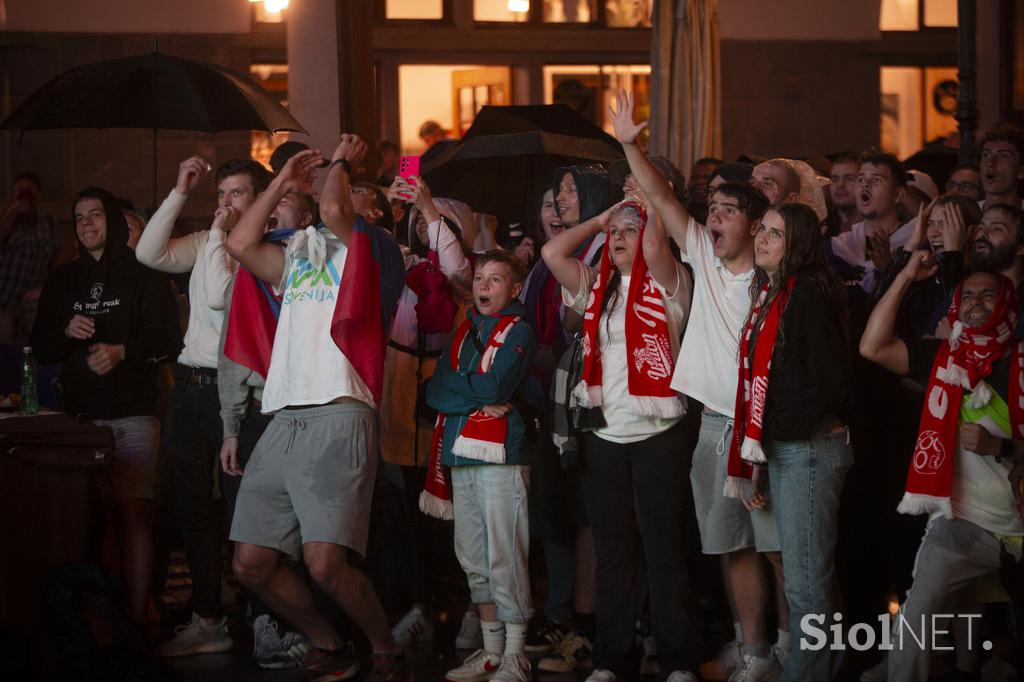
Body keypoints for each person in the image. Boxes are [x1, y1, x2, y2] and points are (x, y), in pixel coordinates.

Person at [608, 89, 786, 682]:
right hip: (713, 425)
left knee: (780, 548)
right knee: (731, 544)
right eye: (710, 209)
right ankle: (754, 650)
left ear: (757, 224)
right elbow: (658, 195)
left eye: (727, 211)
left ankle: (795, 648)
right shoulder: (703, 261)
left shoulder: (776, 280)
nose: (713, 219)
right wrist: (630, 146)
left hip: (768, 428)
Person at [225, 137, 408, 682]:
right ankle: (329, 643)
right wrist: (281, 180)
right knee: (250, 563)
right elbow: (239, 242)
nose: (342, 201)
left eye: (356, 197)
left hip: (340, 409)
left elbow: (331, 208)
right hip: (285, 415)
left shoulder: (369, 249)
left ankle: (385, 647)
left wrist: (339, 162)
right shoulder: (298, 257)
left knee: (325, 564)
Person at [542, 190, 698, 682]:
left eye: (629, 231)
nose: (619, 239)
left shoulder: (671, 281)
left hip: (661, 434)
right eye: (615, 234)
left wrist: (646, 206)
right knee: (612, 556)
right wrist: (601, 218)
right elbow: (552, 253)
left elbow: (656, 247)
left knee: (664, 551)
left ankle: (678, 661)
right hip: (603, 434)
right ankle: (612, 659)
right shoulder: (596, 285)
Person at [860, 262, 1024, 682]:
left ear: (1008, 304)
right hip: (964, 523)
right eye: (967, 295)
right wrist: (904, 278)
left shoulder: (1019, 366)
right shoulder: (943, 358)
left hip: (1019, 526)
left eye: (988, 295)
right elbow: (873, 347)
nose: (975, 303)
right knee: (916, 619)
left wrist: (999, 446)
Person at [136, 156, 270, 656]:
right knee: (191, 505)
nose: (226, 204)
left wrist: (217, 234)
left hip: (235, 394)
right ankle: (208, 615)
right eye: (221, 195)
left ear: (257, 199)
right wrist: (179, 191)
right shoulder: (202, 241)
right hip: (189, 387)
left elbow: (216, 297)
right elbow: (148, 254)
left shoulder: (256, 247)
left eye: (237, 194)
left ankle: (262, 618)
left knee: (243, 509)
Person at [30, 187, 182, 630]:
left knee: (133, 510)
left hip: (133, 410)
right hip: (79, 419)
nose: (87, 224)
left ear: (112, 220)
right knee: (83, 518)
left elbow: (168, 342)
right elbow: (41, 350)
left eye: (96, 215)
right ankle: (91, 618)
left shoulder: (145, 274)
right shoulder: (63, 280)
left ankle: (138, 616)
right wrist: (65, 330)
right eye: (79, 218)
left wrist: (123, 352)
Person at [724, 202, 851, 680]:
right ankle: (824, 669)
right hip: (790, 448)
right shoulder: (775, 294)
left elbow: (829, 383)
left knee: (806, 582)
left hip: (811, 449)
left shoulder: (807, 296)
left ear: (797, 244)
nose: (761, 240)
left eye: (776, 235)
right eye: (763, 231)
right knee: (806, 576)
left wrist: (771, 435)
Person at [424, 250, 537, 682]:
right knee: (472, 556)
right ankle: (491, 652)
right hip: (459, 454)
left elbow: (498, 384)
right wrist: (476, 394)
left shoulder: (520, 331)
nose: (484, 287)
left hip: (501, 457)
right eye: (479, 279)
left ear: (515, 289)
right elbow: (434, 391)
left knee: (506, 553)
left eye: (495, 280)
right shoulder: (463, 330)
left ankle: (515, 655)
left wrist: (463, 387)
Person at [377, 174, 474, 649]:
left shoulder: (464, 275)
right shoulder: (400, 261)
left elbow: (453, 262)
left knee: (452, 504)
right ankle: (419, 603)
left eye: (435, 224)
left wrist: (431, 208)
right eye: (418, 223)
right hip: (400, 379)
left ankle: (463, 602)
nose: (424, 230)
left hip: (445, 382)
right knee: (413, 505)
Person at [830, 150, 911, 295]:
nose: (865, 185)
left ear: (898, 194)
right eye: (860, 179)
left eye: (876, 180)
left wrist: (887, 268)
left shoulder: (913, 245)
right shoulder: (836, 249)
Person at [0, 172, 57, 343]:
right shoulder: (6, 217)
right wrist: (15, 210)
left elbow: (53, 256)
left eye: (29, 190)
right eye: (19, 190)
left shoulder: (47, 221)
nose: (24, 193)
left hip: (28, 307)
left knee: (25, 355)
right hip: (3, 302)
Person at [978, 123, 1024, 211]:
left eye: (1003, 156)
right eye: (986, 155)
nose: (990, 163)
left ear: (1021, 171)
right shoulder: (962, 214)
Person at [826, 152, 861, 236]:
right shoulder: (821, 225)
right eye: (834, 179)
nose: (840, 185)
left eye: (849, 178)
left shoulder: (877, 226)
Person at [687, 156, 721, 224]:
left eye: (707, 178)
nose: (698, 182)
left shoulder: (727, 218)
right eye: (694, 177)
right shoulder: (683, 214)